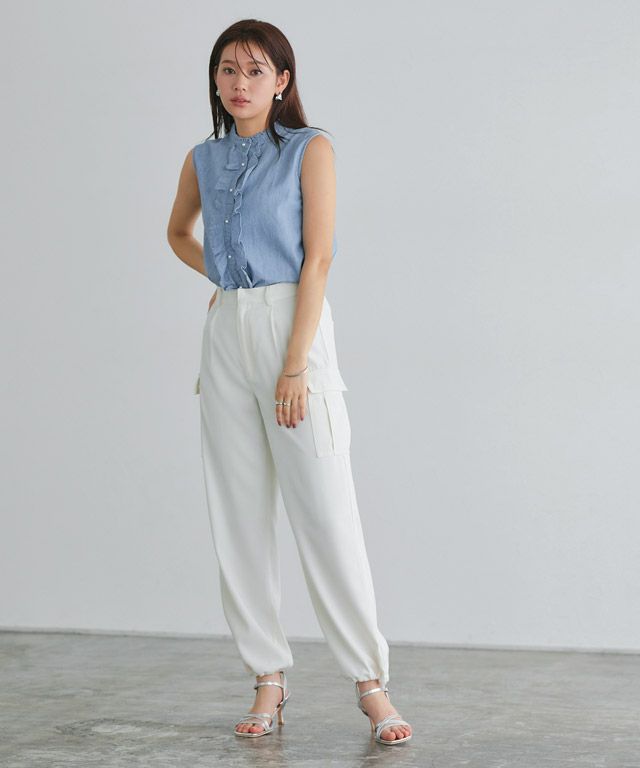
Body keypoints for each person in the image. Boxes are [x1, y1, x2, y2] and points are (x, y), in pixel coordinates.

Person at [167, 19, 412, 746]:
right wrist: (224, 280)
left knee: (326, 512)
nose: (239, 82)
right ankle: (267, 677)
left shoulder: (311, 149)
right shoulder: (203, 158)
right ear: (215, 80)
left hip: (292, 330)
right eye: (227, 69)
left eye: (255, 70)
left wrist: (296, 364)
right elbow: (178, 233)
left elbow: (319, 259)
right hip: (227, 335)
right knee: (237, 515)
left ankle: (370, 683)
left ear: (281, 81)